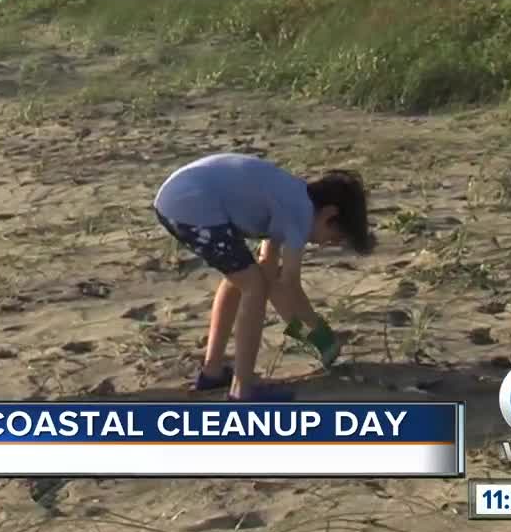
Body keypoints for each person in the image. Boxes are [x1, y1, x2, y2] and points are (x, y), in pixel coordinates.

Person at [152, 153, 374, 402]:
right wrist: (323, 338)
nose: (324, 244)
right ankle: (242, 391)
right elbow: (290, 288)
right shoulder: (300, 214)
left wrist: (314, 340)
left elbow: (270, 274)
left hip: (179, 197)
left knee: (244, 279)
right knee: (252, 286)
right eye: (333, 237)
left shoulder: (291, 196)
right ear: (329, 214)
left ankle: (212, 372)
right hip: (191, 203)